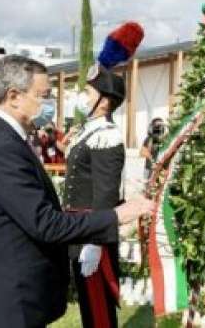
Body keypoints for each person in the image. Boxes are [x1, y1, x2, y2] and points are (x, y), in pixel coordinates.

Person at [0, 55, 154, 328]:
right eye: (43, 95)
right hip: (7, 300)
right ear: (14, 96)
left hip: (12, 293)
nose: (48, 104)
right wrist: (116, 216)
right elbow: (44, 222)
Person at [64, 21, 144, 328]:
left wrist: (96, 243)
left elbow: (107, 194)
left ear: (104, 101)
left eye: (87, 92)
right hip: (78, 229)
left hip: (92, 231)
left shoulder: (107, 135)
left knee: (98, 311)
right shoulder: (87, 132)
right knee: (88, 307)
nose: (82, 97)